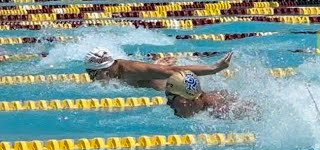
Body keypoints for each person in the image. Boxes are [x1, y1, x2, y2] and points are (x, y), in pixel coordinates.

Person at [84, 47, 233, 90]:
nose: (90, 77)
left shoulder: (131, 70)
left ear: (104, 70)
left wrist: (214, 68)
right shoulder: (113, 73)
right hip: (155, 76)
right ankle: (159, 65)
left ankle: (159, 66)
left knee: (165, 70)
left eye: (91, 73)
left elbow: (174, 71)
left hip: (171, 84)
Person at [165, 70, 259, 119]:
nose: (168, 103)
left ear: (184, 98)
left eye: (170, 98)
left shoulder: (220, 109)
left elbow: (257, 113)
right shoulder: (204, 103)